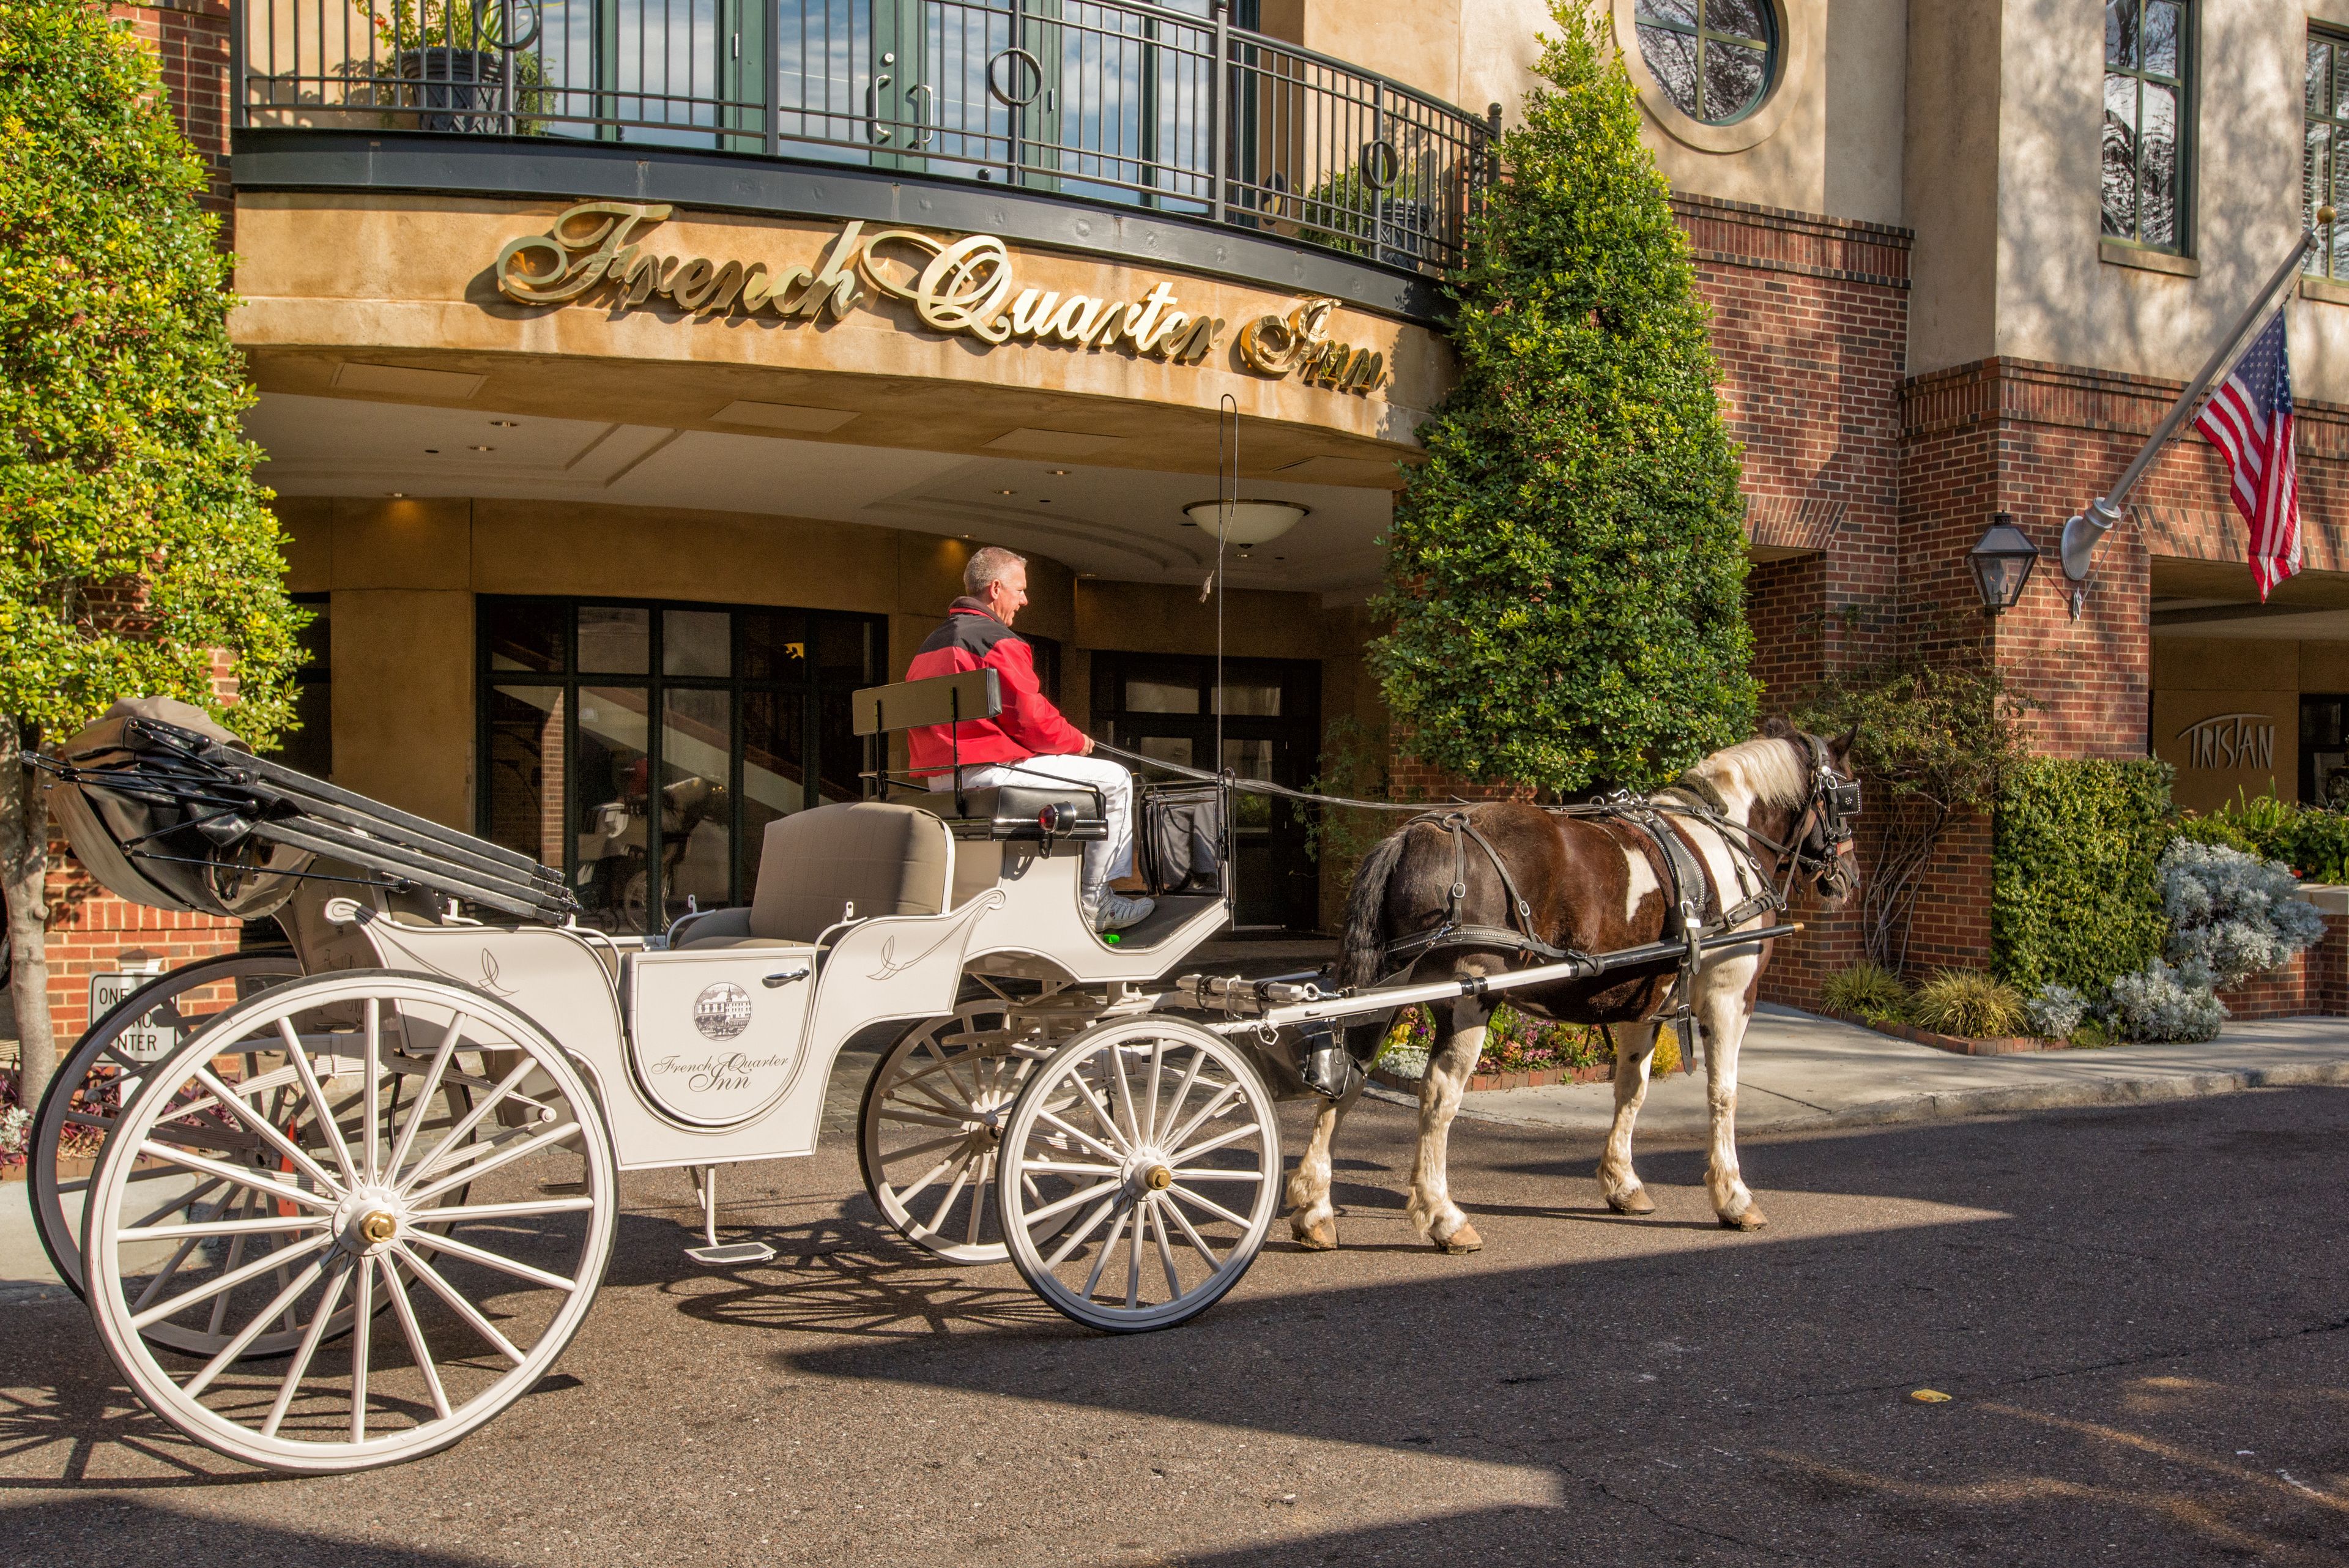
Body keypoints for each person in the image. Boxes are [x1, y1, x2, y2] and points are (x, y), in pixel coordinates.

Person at [907, 546, 1155, 933]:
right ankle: (1096, 902)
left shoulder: (929, 646)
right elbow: (1030, 719)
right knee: (1115, 779)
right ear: (995, 588)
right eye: (1020, 590)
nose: (1024, 600)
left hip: (942, 779)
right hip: (986, 772)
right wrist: (1076, 741)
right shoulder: (995, 639)